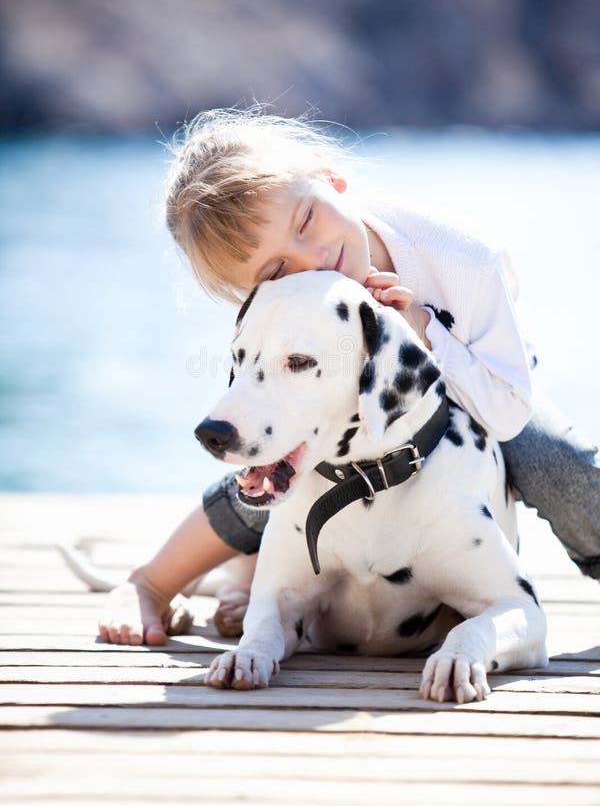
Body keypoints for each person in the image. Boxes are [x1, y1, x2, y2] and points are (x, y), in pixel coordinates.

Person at [98, 108, 600, 647]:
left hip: (485, 389)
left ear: (330, 178)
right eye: (277, 272)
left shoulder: (462, 256)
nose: (316, 259)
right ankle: (154, 581)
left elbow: (507, 407)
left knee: (557, 459)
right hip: (359, 411)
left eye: (308, 220)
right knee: (271, 459)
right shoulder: (297, 309)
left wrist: (422, 332)